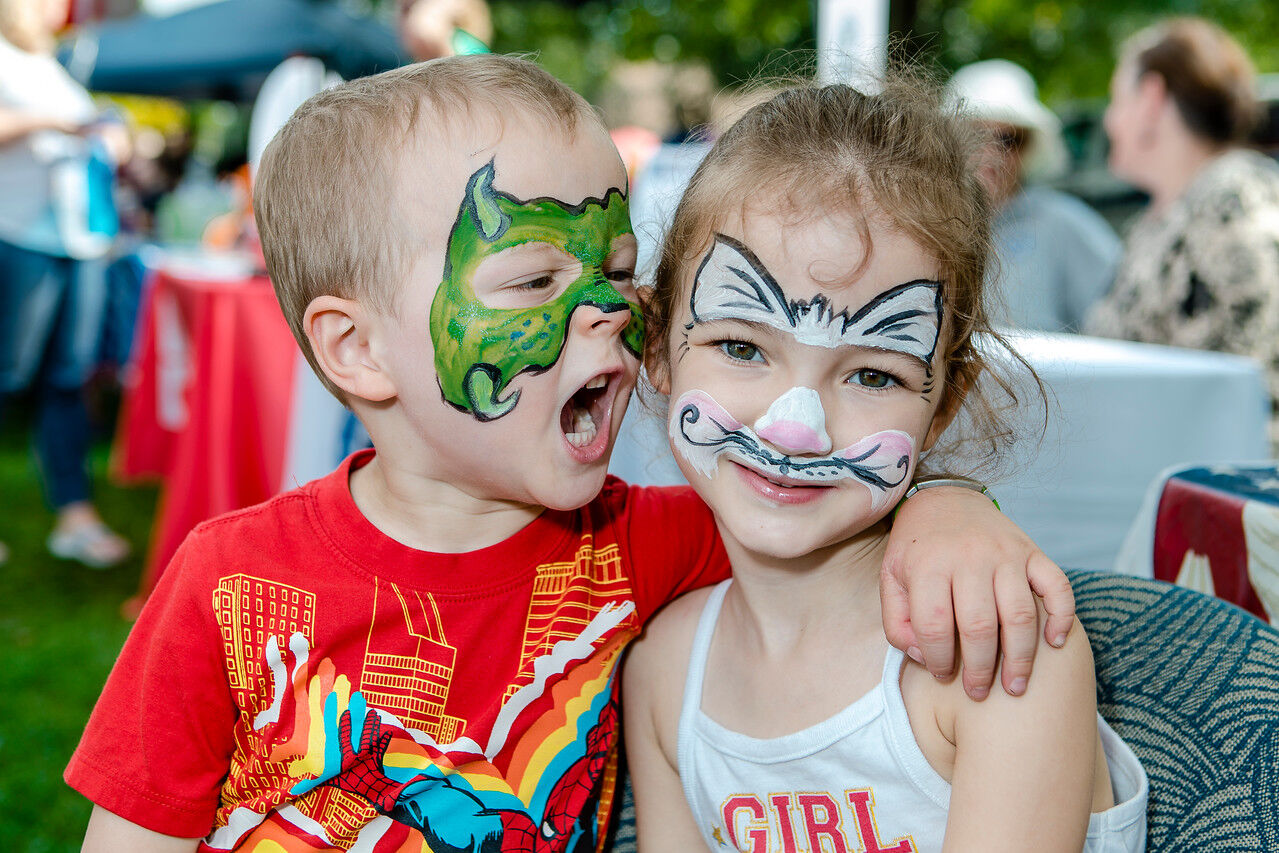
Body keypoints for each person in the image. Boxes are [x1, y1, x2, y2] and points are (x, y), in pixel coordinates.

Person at [66, 56, 1076, 850]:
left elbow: (812, 495)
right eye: (535, 278)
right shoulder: (229, 586)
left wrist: (948, 507)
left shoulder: (648, 545)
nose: (604, 309)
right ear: (357, 348)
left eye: (619, 269)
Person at [624, 78, 1148, 851]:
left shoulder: (992, 649)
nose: (795, 428)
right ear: (658, 345)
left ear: (944, 404)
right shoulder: (665, 671)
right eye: (741, 346)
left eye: (872, 374)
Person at [1084, 18, 1279, 448]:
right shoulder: (1163, 217)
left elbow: (1258, 390)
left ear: (1151, 99)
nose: (1110, 121)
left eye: (1117, 99)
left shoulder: (1235, 201)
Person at [0, 0, 130, 567]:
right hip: (17, 237)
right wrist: (53, 122)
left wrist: (110, 135)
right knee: (6, 375)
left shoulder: (55, 65)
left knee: (70, 380)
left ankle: (75, 516)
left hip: (79, 243)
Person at [947, 59, 1121, 333]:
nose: (992, 152)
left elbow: (1127, 318)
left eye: (1008, 140)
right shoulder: (919, 224)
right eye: (976, 134)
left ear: (1028, 148)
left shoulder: (1063, 224)